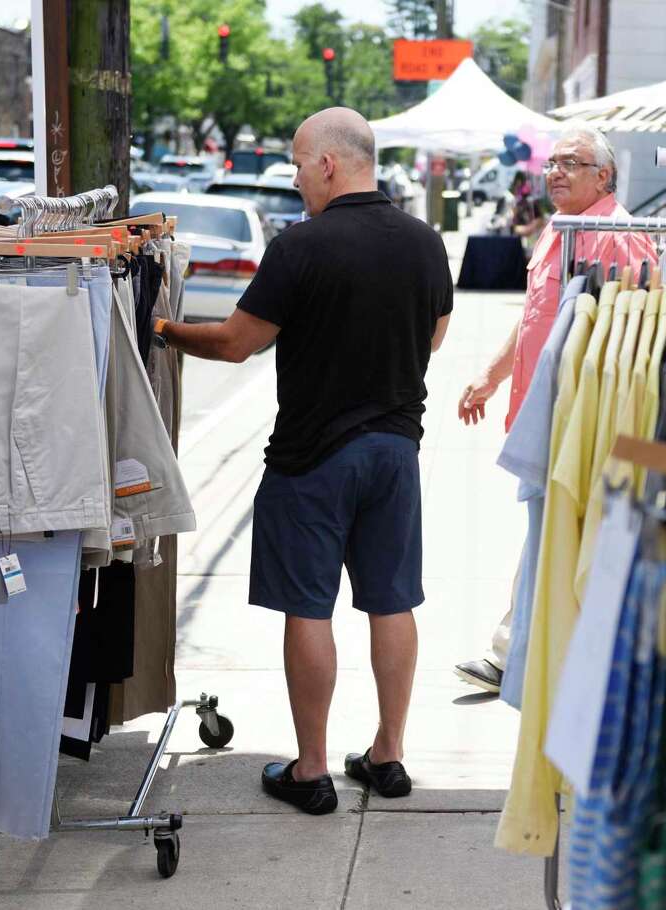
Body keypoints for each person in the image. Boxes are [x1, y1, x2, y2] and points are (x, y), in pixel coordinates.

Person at [152, 108, 453, 813]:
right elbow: (435, 336)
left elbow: (235, 343)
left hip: (313, 456)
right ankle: (387, 756)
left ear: (329, 164)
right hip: (394, 451)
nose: (293, 179)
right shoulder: (424, 242)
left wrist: (160, 327)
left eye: (295, 164)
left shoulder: (302, 247)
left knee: (309, 609)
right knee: (392, 601)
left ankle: (312, 770)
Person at [452, 125, 656, 694]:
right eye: (554, 162)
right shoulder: (561, 229)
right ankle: (523, 648)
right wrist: (492, 376)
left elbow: (633, 329)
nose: (557, 171)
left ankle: (515, 650)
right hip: (544, 409)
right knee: (548, 526)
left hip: (578, 413)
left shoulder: (618, 235)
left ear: (604, 176)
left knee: (557, 527)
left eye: (573, 162)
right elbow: (535, 316)